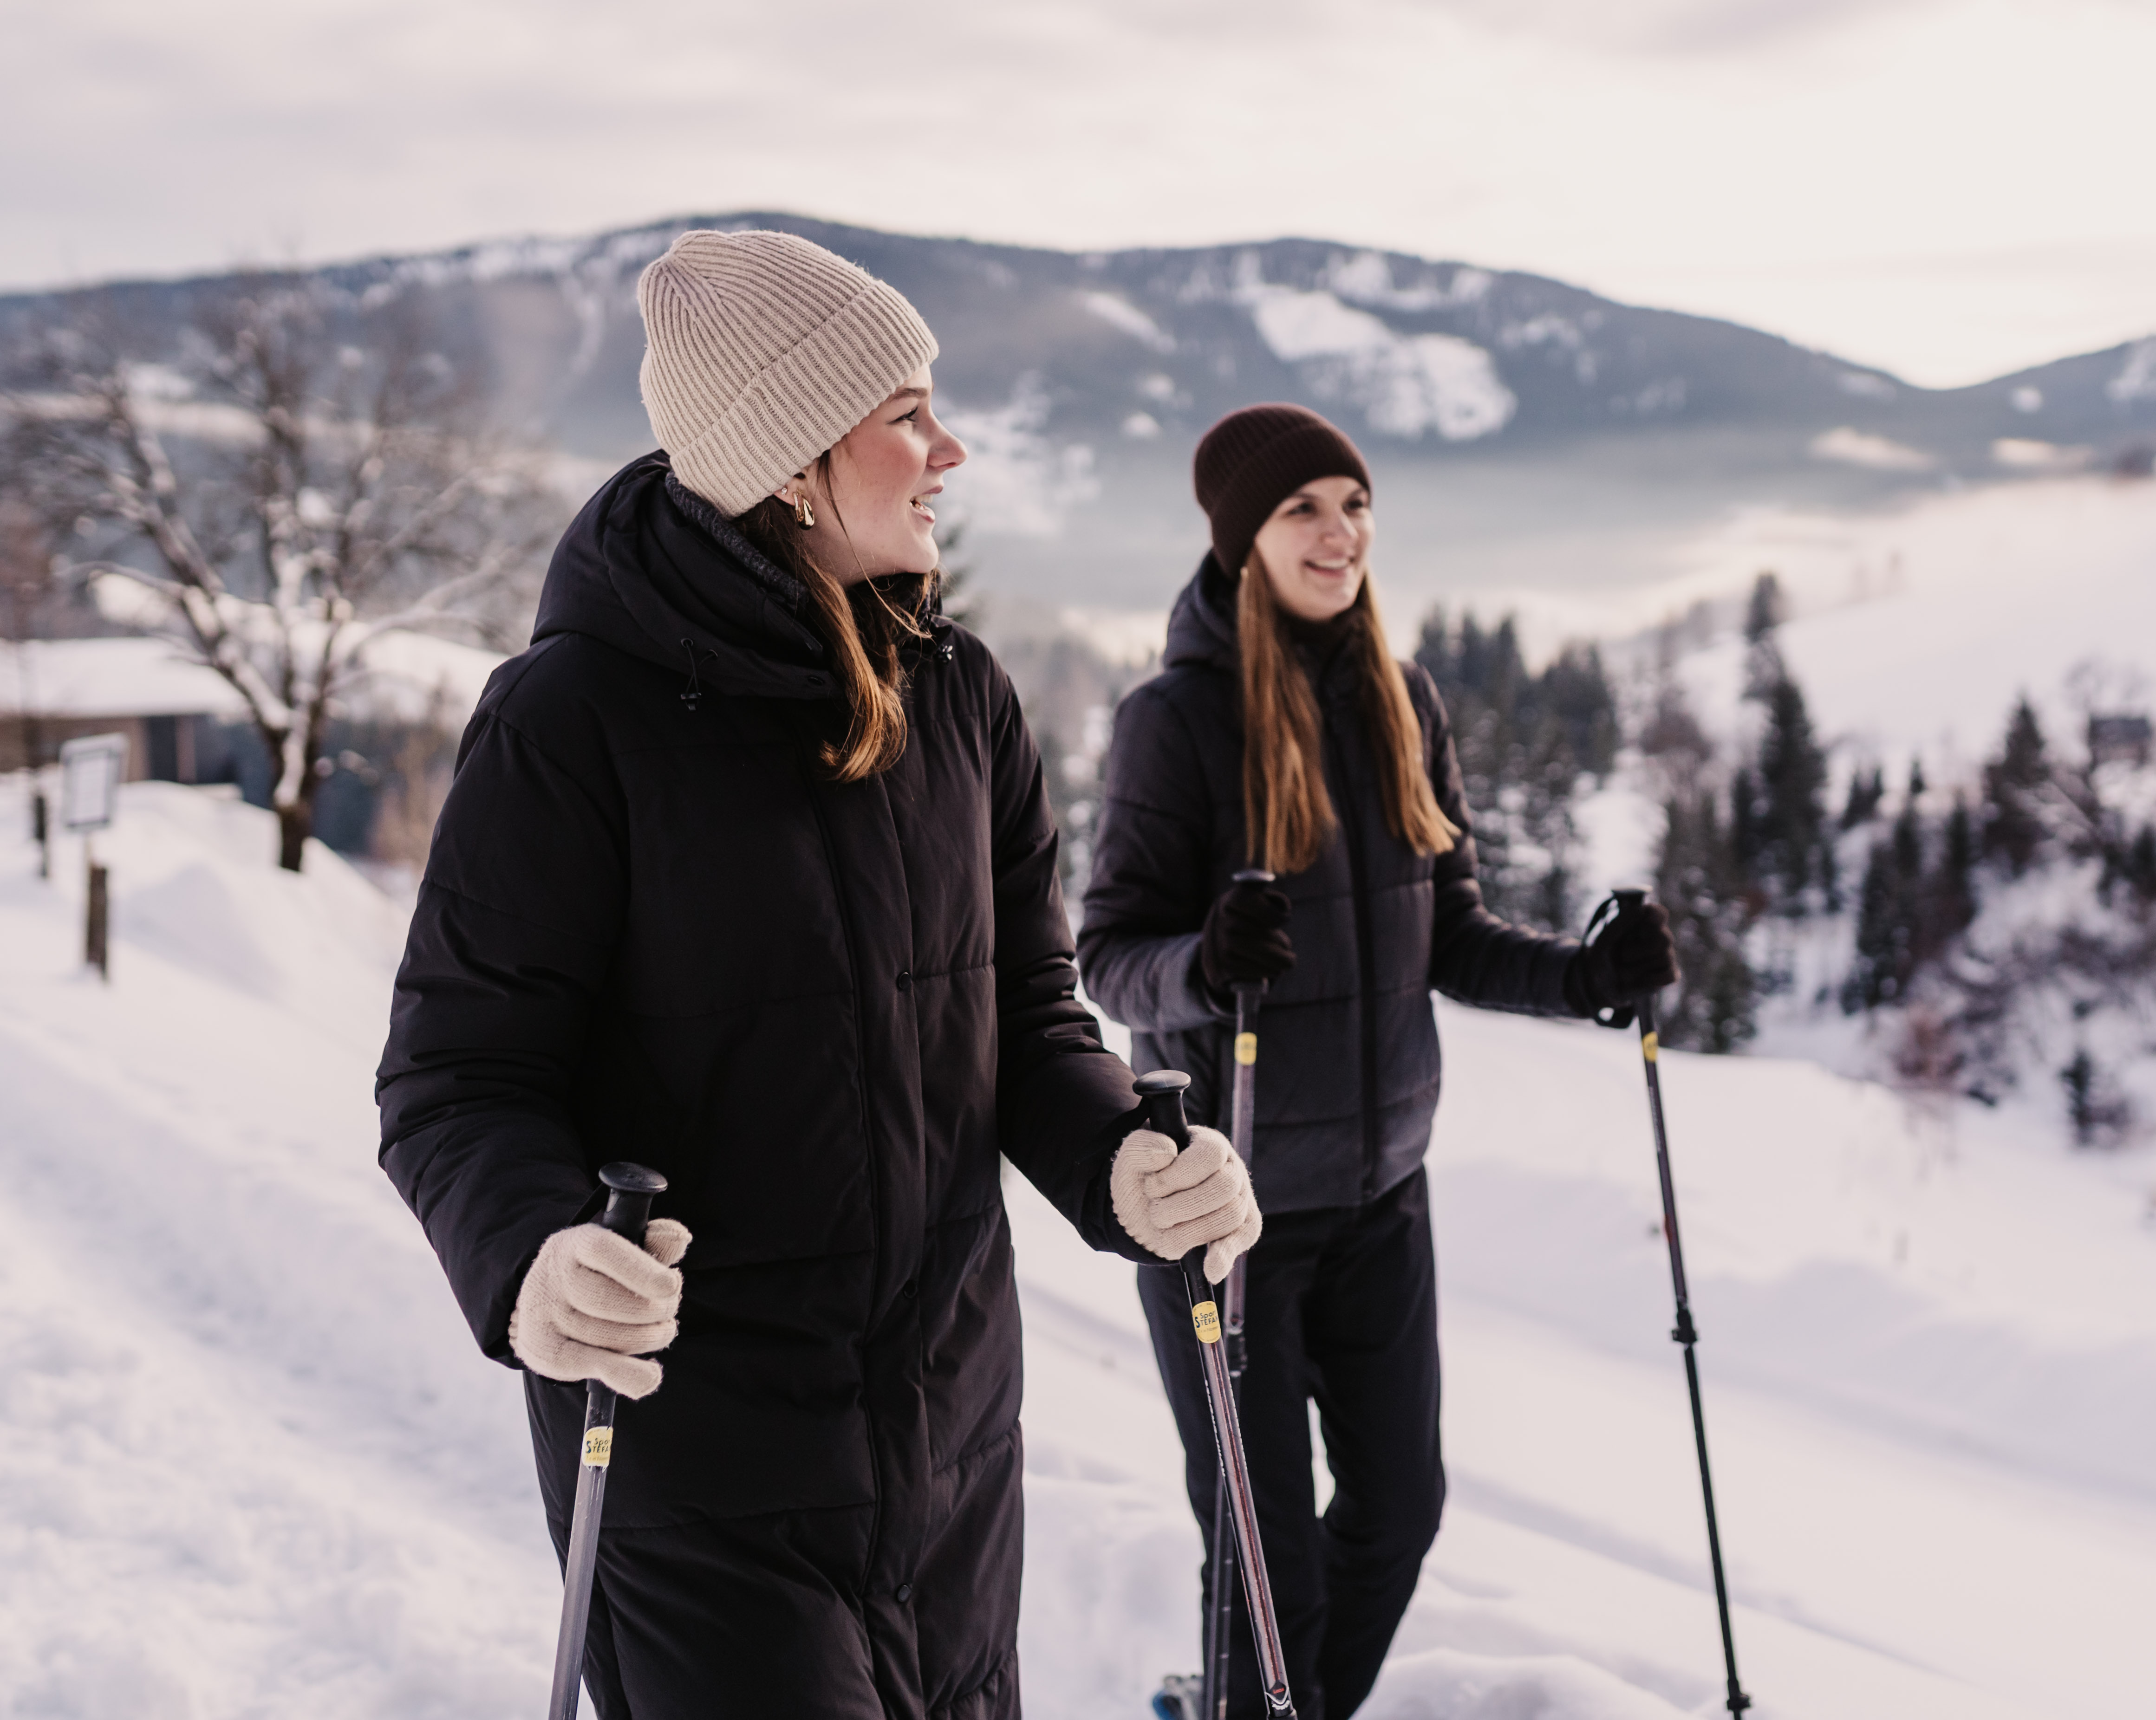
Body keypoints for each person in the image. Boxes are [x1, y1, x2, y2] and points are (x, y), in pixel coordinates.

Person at [376, 229, 1260, 1720]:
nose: (950, 448)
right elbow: (455, 1076)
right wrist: (529, 1250)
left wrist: (1124, 1159)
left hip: (955, 1446)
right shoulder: (572, 722)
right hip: (700, 1465)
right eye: (908, 412)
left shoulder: (963, 699)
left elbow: (1031, 1021)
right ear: (793, 461)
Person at [1078, 404, 1679, 1720]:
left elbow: (1448, 933)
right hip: (1227, 1211)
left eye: (1354, 504)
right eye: (1304, 508)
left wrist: (1586, 978)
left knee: (1400, 1514)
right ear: (1244, 542)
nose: (1339, 532)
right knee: (1267, 1558)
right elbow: (1108, 952)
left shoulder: (1402, 702)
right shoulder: (1173, 723)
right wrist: (1204, 963)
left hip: (1380, 1198)